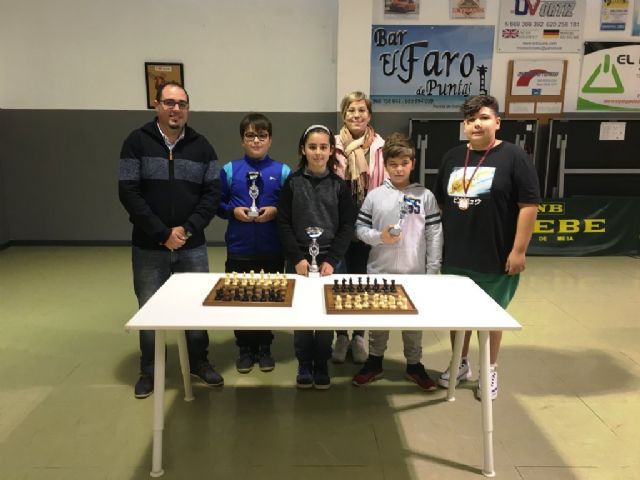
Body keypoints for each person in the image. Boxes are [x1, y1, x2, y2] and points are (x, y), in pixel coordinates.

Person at [119, 81, 223, 399]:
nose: (176, 109)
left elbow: (212, 194)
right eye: (169, 103)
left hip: (192, 246)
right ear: (157, 105)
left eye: (182, 104)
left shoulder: (202, 147)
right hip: (149, 246)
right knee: (150, 308)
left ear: (188, 109)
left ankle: (198, 361)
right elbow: (128, 192)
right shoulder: (136, 142)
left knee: (197, 306)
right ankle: (150, 369)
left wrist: (187, 229)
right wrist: (162, 233)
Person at [434, 95, 540, 400]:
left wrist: (518, 251)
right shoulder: (452, 157)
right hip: (456, 255)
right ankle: (460, 362)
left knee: (491, 316)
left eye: (483, 117)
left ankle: (489, 368)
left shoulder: (514, 157)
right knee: (459, 315)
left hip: (495, 255)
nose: (476, 124)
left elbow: (529, 206)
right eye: (470, 120)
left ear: (497, 122)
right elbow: (441, 204)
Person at [351, 133, 443, 391]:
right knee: (378, 321)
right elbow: (360, 230)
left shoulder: (425, 196)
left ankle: (414, 365)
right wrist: (379, 237)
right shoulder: (374, 196)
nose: (399, 169)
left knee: (413, 323)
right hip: (380, 271)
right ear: (385, 165)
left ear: (412, 163)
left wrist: (432, 270)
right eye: (393, 164)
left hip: (414, 272)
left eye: (404, 163)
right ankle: (374, 362)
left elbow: (434, 233)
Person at [277, 125, 355, 390]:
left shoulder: (339, 186)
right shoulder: (292, 183)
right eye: (312, 147)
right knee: (301, 315)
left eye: (323, 147)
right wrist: (297, 258)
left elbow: (347, 225)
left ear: (331, 150)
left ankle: (321, 362)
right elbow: (283, 223)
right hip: (299, 262)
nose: (318, 152)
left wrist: (332, 260)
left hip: (331, 263)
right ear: (303, 150)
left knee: (324, 315)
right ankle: (303, 362)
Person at [217, 113, 291, 374]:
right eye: (250, 136)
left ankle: (264, 346)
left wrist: (276, 211)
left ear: (270, 140)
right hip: (239, 249)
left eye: (262, 135)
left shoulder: (282, 171)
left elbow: (291, 207)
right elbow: (217, 203)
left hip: (272, 249)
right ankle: (245, 348)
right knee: (240, 300)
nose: (256, 140)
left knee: (268, 299)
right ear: (242, 140)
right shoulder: (230, 170)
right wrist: (232, 211)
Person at [331, 91, 387, 364]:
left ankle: (359, 336)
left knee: (364, 281)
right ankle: (341, 335)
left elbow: (386, 185)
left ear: (369, 115)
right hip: (338, 224)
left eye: (362, 110)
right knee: (339, 281)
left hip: (369, 223)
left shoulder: (380, 146)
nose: (356, 115)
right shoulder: (332, 144)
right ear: (344, 115)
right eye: (351, 110)